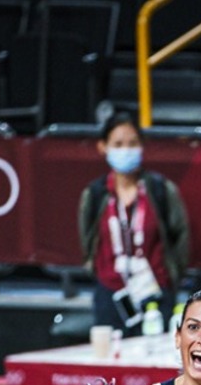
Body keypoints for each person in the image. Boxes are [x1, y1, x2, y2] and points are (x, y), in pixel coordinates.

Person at [79, 112, 190, 337]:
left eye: (132, 143)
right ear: (103, 147)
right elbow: (87, 238)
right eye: (118, 144)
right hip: (110, 294)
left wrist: (171, 275)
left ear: (142, 146)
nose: (125, 150)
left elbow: (181, 235)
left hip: (156, 291)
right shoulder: (95, 194)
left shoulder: (160, 190)